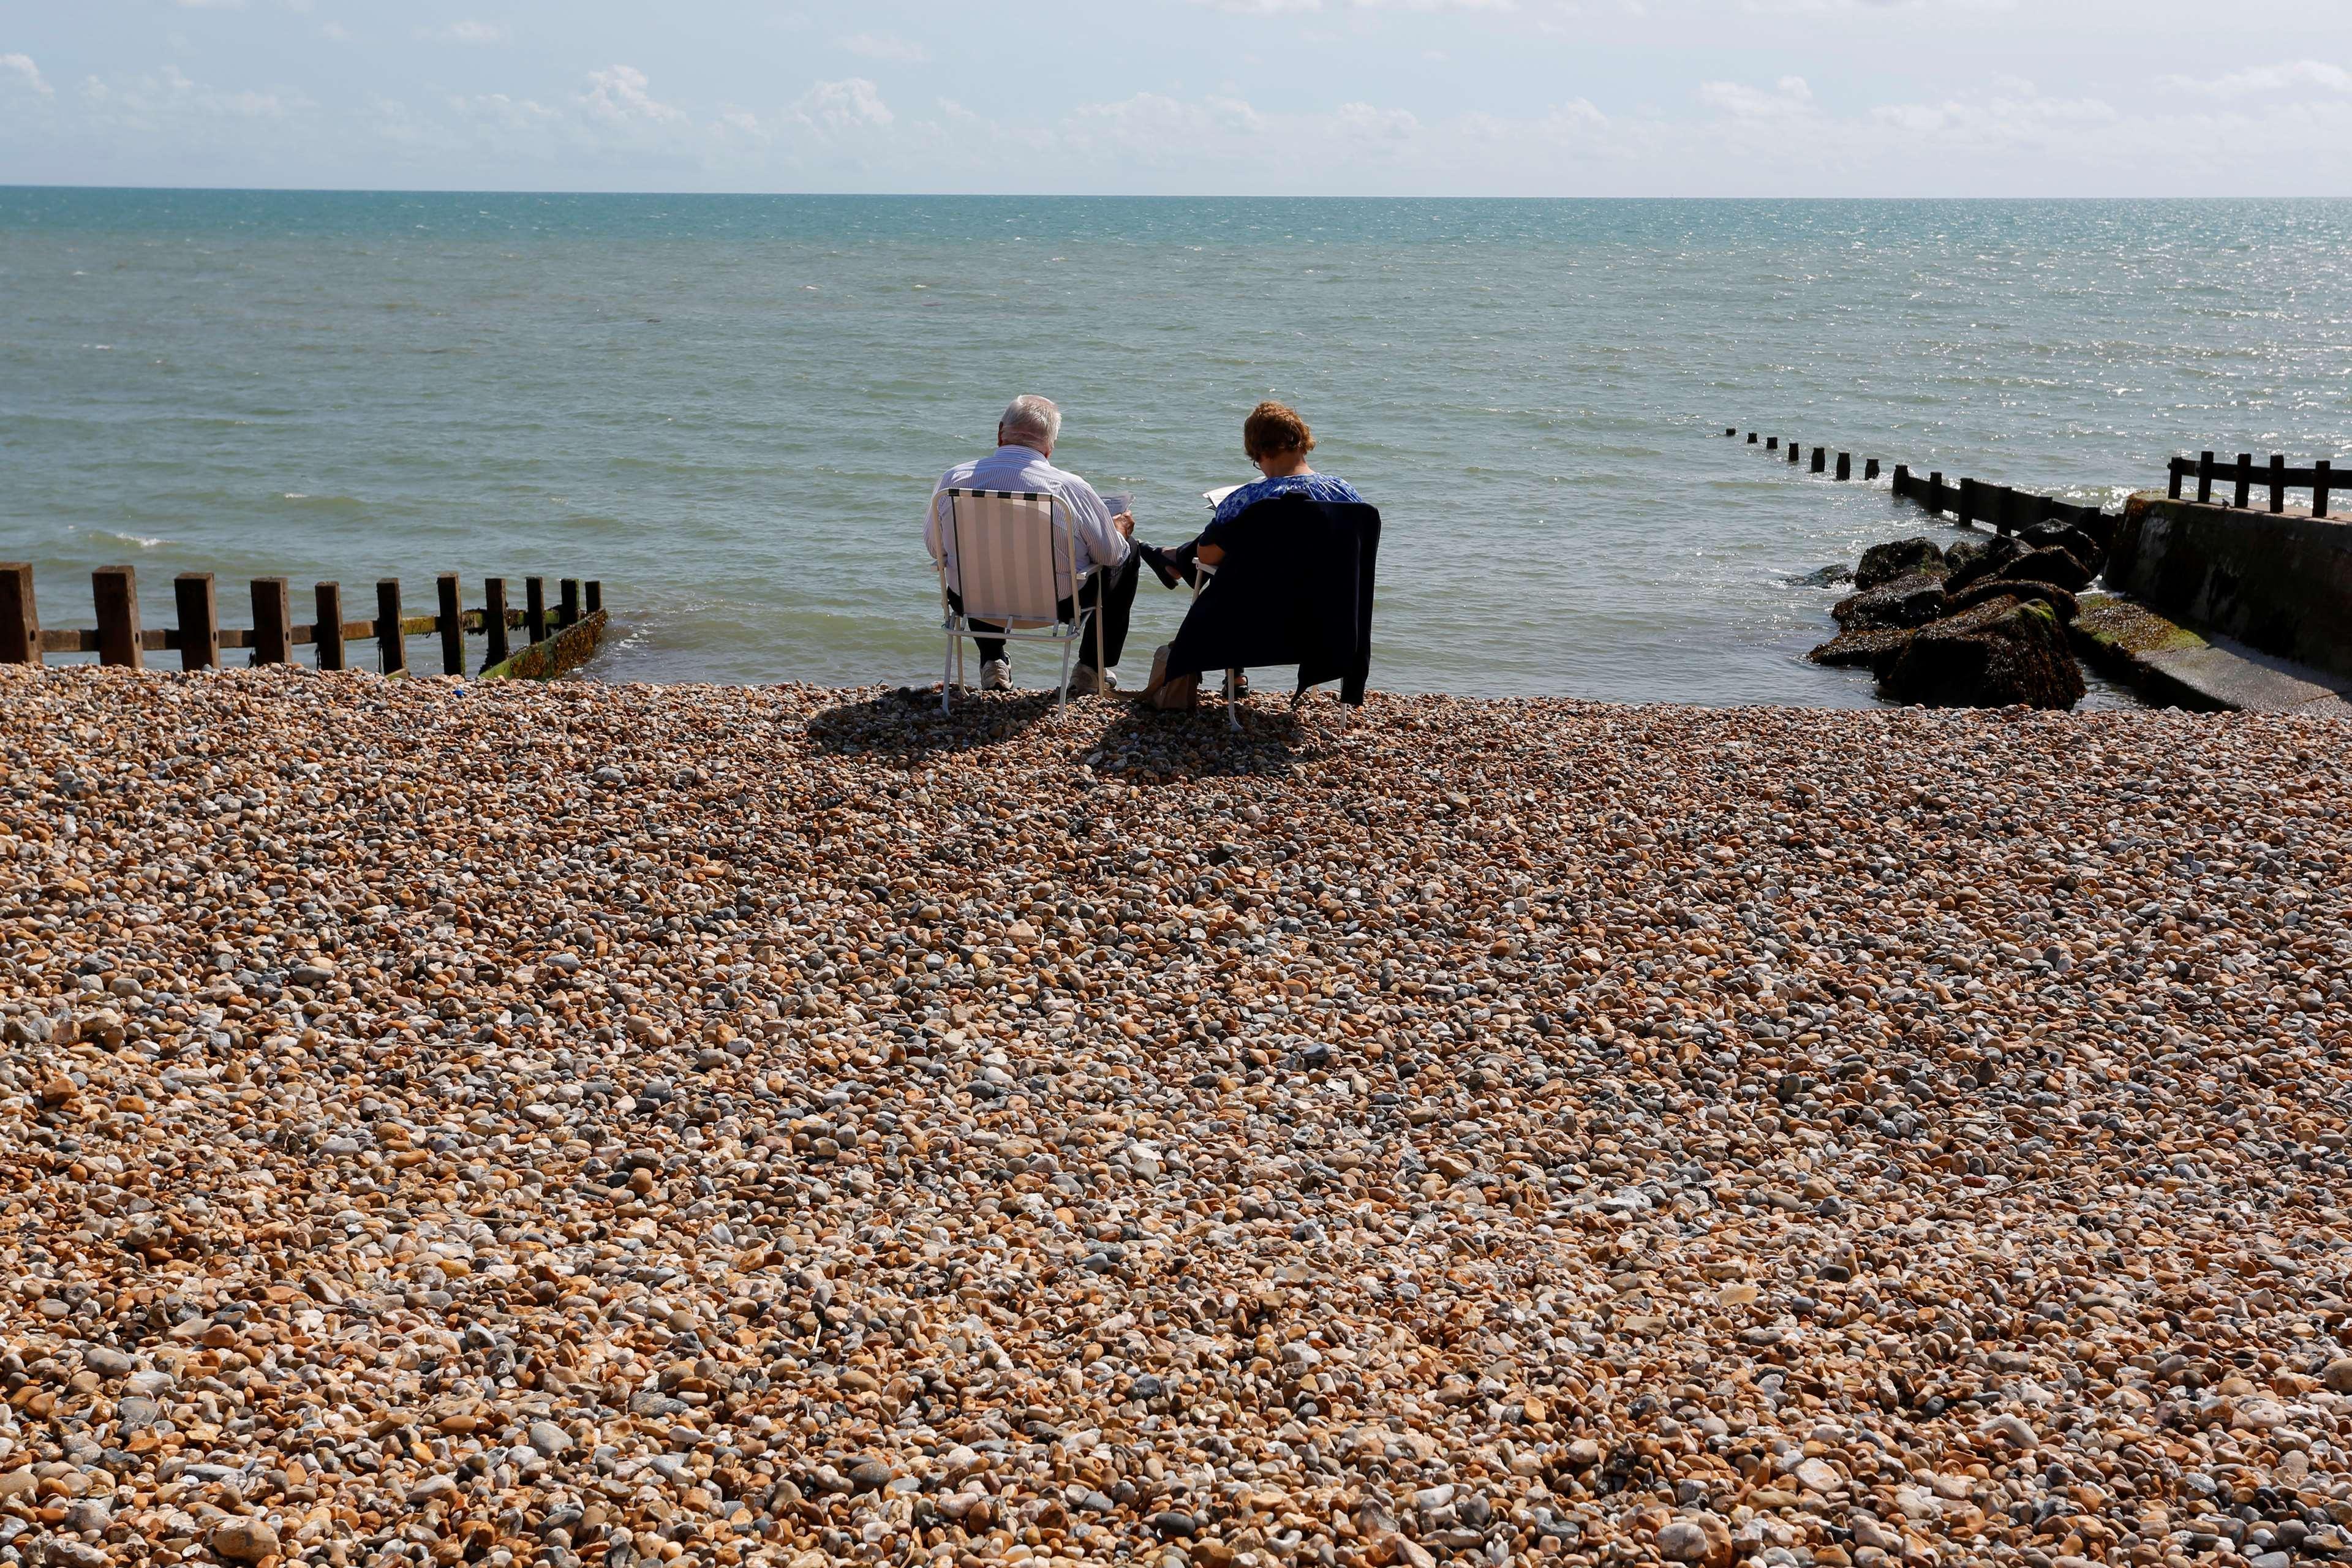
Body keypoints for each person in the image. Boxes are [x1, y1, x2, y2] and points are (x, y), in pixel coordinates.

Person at [927, 394, 1140, 694]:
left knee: (980, 565)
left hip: (974, 604)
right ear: (1050, 446)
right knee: (1129, 552)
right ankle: (1090, 669)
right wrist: (1118, 529)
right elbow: (1112, 555)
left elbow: (937, 550)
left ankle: (993, 662)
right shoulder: (1070, 488)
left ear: (1001, 432)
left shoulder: (954, 480)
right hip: (1057, 606)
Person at [1137, 401, 1362, 587]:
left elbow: (1206, 555)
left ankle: (1175, 559)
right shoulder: (1346, 494)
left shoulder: (1250, 500)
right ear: (1303, 444)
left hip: (1258, 622)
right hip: (1333, 621)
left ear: (1260, 452)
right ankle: (1174, 558)